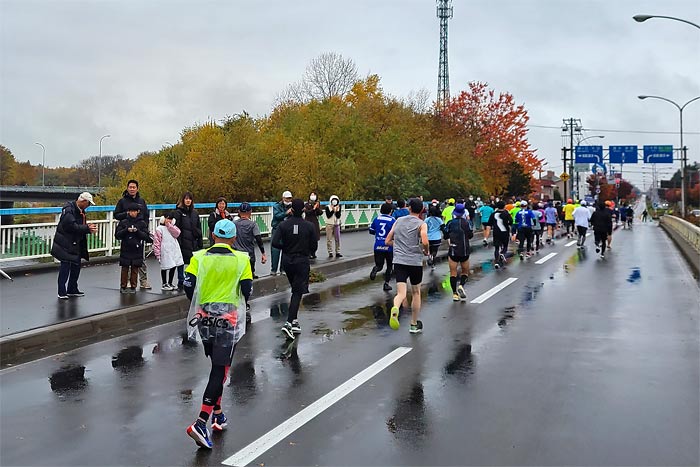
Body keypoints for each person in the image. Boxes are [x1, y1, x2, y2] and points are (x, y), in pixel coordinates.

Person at [183, 219, 253, 449]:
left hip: (204, 317)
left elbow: (188, 285)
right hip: (228, 319)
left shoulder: (198, 257)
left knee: (216, 365)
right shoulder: (242, 259)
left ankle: (219, 414)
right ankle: (201, 422)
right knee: (220, 369)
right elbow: (246, 290)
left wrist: (201, 301)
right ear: (233, 239)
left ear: (212, 235)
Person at [272, 199, 317, 340]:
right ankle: (288, 322)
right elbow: (314, 245)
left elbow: (274, 242)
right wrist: (307, 250)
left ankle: (295, 321)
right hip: (302, 261)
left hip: (287, 261)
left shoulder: (284, 225)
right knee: (297, 292)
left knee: (294, 288)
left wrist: (284, 248)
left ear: (291, 210)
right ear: (303, 209)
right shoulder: (309, 226)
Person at [385, 198, 429, 334]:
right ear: (421, 210)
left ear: (409, 208)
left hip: (399, 261)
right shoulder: (421, 224)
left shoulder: (398, 221)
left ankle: (396, 308)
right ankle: (414, 324)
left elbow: (388, 240)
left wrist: (397, 246)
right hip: (414, 262)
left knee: (401, 293)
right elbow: (425, 240)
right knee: (416, 292)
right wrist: (425, 250)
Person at [51, 192, 98, 299]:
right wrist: (87, 228)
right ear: (83, 201)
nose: (89, 206)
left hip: (75, 243)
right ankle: (61, 291)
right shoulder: (68, 210)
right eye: (88, 203)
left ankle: (72, 289)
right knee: (65, 266)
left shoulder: (80, 211)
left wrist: (85, 228)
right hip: (66, 243)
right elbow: (71, 226)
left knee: (76, 266)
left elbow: (77, 226)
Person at [113, 180, 151, 289]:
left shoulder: (142, 201)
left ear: (137, 188)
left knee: (141, 258)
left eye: (134, 187)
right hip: (127, 232)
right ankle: (127, 282)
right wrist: (127, 214)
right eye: (130, 187)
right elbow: (116, 215)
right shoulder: (122, 201)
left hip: (139, 233)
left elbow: (146, 216)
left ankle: (143, 280)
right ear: (127, 188)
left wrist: (144, 227)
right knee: (126, 260)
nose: (132, 189)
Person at [442, 203, 472, 301]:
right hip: (464, 250)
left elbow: (446, 236)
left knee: (453, 273)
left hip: (453, 250)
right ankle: (461, 286)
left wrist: (443, 229)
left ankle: (455, 294)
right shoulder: (467, 223)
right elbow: (470, 235)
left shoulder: (450, 223)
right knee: (465, 272)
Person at [173, 192, 203, 289]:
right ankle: (181, 281)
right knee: (181, 262)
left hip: (193, 241)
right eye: (186, 199)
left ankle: (192, 280)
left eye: (189, 199)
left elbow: (199, 227)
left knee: (193, 262)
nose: (188, 200)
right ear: (183, 200)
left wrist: (200, 241)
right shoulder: (178, 212)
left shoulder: (195, 213)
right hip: (182, 241)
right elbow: (176, 228)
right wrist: (178, 241)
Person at [233, 202, 267, 280]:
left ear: (239, 212)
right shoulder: (253, 225)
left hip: (236, 254)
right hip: (249, 254)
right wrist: (263, 253)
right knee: (248, 277)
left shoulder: (234, 224)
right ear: (250, 212)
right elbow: (258, 239)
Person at [369, 202, 396, 291]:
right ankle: (386, 284)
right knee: (389, 266)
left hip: (378, 245)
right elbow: (395, 233)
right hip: (389, 246)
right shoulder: (393, 220)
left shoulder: (377, 219)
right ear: (391, 211)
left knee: (379, 265)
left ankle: (375, 270)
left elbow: (371, 231)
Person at [153, 211, 183, 291]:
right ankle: (164, 283)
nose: (168, 220)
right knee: (164, 267)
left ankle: (170, 282)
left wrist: (170, 226)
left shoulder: (173, 227)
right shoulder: (159, 229)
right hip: (164, 250)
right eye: (167, 218)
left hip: (173, 249)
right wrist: (157, 253)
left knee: (173, 266)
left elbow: (177, 233)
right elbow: (157, 242)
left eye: (170, 219)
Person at [270, 191, 293, 275]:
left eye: (290, 198)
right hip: (277, 229)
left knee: (286, 250)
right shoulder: (277, 206)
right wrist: (286, 213)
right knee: (275, 250)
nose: (288, 200)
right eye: (287, 198)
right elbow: (277, 216)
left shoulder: (292, 206)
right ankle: (273, 269)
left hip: (287, 230)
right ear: (283, 198)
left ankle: (283, 269)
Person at [488, 201, 512, 269]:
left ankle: (496, 262)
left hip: (496, 232)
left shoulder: (493, 214)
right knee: (505, 246)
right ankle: (502, 254)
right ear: (504, 206)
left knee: (496, 247)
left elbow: (489, 223)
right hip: (505, 231)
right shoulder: (506, 213)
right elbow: (511, 221)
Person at [303, 192, 323, 259]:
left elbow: (320, 213)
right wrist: (313, 208)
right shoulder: (306, 205)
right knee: (308, 239)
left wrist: (317, 208)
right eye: (311, 195)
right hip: (308, 222)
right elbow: (307, 213)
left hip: (315, 222)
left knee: (315, 239)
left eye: (314, 195)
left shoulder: (317, 204)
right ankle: (308, 253)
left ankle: (313, 252)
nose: (313, 196)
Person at [425, 203, 443, 270]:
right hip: (437, 237)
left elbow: (424, 227)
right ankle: (433, 260)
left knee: (429, 249)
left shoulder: (427, 219)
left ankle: (429, 256)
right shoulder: (439, 219)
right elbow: (443, 227)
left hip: (428, 237)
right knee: (435, 250)